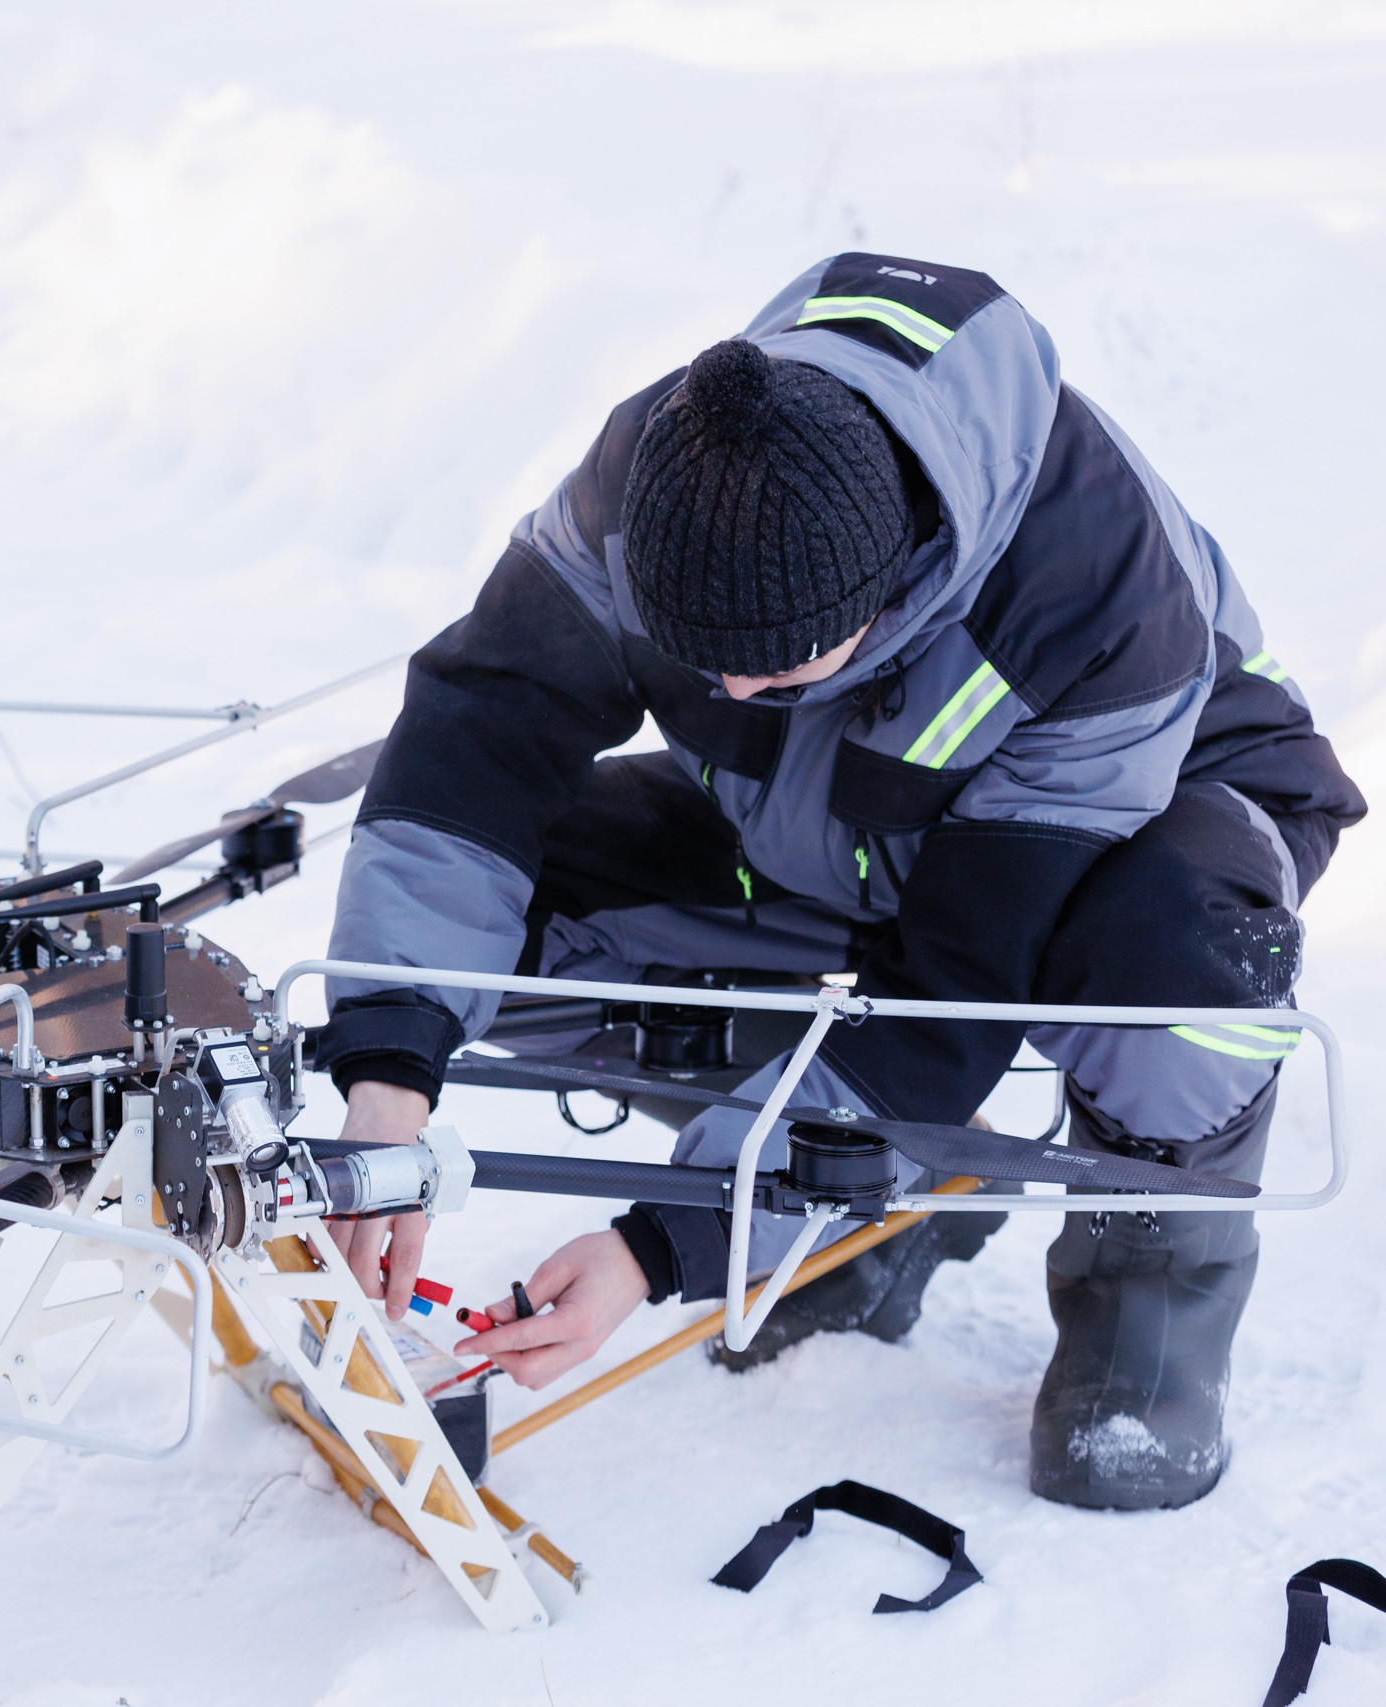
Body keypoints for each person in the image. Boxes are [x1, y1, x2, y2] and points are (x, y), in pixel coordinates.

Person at [313, 254, 1362, 1512]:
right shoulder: (659, 470)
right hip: (842, 817)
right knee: (523, 897)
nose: (726, 693)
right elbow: (482, 732)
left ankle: (1144, 1313)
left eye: (767, 669)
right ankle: (863, 1188)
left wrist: (667, 1241)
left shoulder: (1096, 594)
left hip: (1139, 831)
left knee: (1173, 968)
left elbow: (955, 985)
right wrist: (388, 1083)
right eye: (703, 666)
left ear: (890, 584)